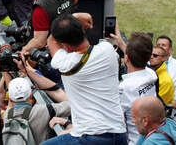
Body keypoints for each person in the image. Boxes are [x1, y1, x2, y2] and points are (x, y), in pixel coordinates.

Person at [43, 15, 127, 144]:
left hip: (90, 138)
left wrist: (74, 17)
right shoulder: (107, 50)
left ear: (65, 45)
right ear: (83, 31)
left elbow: (51, 41)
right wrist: (75, 21)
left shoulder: (65, 64)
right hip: (119, 135)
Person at [4, 76, 71, 144]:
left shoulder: (6, 115)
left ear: (10, 99)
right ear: (31, 95)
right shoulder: (44, 110)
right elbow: (70, 106)